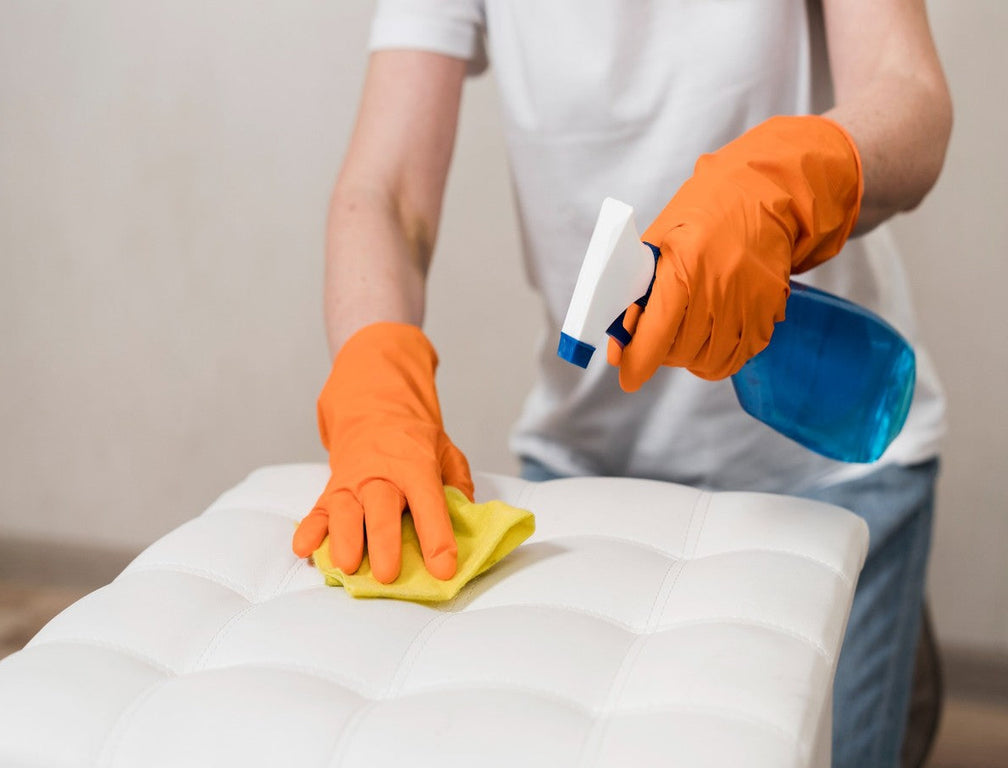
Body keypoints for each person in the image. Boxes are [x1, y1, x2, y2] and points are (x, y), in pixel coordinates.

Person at [292, 2, 952, 766]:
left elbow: (912, 98)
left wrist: (785, 179)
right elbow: (386, 193)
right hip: (587, 465)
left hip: (832, 459)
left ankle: (901, 675)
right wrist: (376, 378)